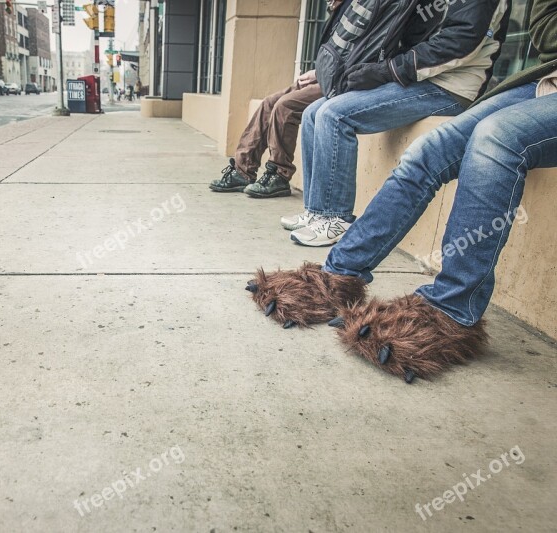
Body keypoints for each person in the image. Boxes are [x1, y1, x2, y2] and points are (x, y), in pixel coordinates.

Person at [248, 0, 557, 384]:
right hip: (545, 81)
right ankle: (339, 275)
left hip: (455, 84)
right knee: (429, 149)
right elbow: (545, 30)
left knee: (497, 139)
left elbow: (461, 38)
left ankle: (452, 309)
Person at [286, 0, 512, 246]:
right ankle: (316, 210)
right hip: (417, 80)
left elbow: (459, 44)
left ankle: (335, 218)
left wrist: (388, 70)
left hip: (451, 87)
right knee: (313, 112)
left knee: (334, 114)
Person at [209, 0, 346, 199]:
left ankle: (280, 176)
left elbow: (358, 57)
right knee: (269, 103)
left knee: (285, 106)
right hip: (327, 76)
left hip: (342, 82)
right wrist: (317, 73)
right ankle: (243, 171)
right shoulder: (338, 11)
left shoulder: (360, 11)